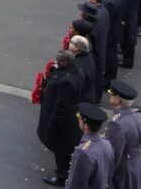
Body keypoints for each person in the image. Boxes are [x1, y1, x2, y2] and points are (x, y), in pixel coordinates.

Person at [40, 50, 84, 186]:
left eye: (58, 62)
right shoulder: (77, 71)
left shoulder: (66, 81)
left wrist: (53, 123)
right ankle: (63, 171)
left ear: (64, 63)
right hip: (71, 117)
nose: (56, 64)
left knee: (60, 148)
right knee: (63, 148)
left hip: (64, 121)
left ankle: (62, 176)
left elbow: (61, 105)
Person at [103, 80, 141, 189]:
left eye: (112, 93)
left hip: (123, 173)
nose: (110, 95)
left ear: (118, 98)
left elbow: (114, 156)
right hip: (139, 167)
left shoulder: (117, 124)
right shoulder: (140, 117)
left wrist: (105, 181)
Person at [65, 103, 113, 189]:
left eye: (80, 119)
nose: (79, 120)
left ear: (86, 126)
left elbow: (76, 184)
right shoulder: (106, 143)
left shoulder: (83, 152)